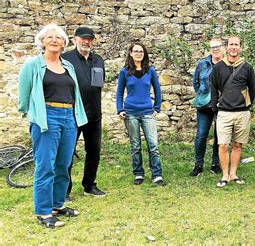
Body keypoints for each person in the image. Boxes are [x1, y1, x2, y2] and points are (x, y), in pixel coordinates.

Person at [18, 24, 88, 228]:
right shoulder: (33, 65)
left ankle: (57, 205)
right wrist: (31, 114)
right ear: (42, 41)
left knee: (63, 165)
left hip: (69, 117)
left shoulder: (69, 66)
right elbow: (24, 96)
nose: (55, 40)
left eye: (59, 37)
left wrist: (76, 117)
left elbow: (74, 94)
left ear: (64, 42)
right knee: (45, 166)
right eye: (50, 37)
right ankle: (43, 211)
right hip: (46, 118)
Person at [63, 26, 106, 200]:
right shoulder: (65, 58)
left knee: (94, 151)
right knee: (67, 153)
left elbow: (99, 84)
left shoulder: (98, 60)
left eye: (89, 39)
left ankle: (89, 185)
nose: (86, 41)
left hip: (94, 115)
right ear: (74, 40)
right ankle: (64, 190)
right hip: (73, 114)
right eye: (83, 38)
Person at [116, 42, 165, 186]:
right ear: (130, 53)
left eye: (141, 51)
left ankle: (157, 174)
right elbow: (119, 93)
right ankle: (138, 173)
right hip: (130, 112)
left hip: (147, 112)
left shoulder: (150, 71)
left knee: (153, 144)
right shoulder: (124, 72)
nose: (139, 54)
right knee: (135, 145)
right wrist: (120, 109)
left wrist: (156, 107)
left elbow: (157, 90)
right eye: (136, 51)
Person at [210, 35, 255, 188]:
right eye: (231, 44)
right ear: (226, 47)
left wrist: (246, 105)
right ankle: (224, 175)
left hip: (242, 112)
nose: (234, 47)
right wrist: (215, 109)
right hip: (224, 112)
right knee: (222, 145)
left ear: (240, 47)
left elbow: (253, 89)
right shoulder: (218, 67)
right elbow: (214, 89)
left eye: (236, 44)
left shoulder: (247, 67)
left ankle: (233, 173)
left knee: (237, 144)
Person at [189, 38, 224, 177]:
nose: (215, 49)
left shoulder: (227, 64)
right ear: (210, 49)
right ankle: (198, 165)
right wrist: (203, 94)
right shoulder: (202, 64)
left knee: (219, 135)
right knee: (201, 135)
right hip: (204, 105)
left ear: (222, 47)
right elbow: (196, 82)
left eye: (218, 46)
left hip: (222, 105)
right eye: (213, 47)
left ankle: (216, 163)